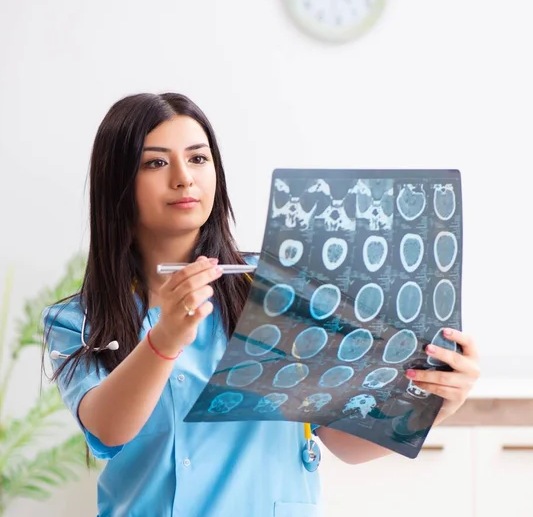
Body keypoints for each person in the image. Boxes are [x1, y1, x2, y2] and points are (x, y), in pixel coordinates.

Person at [43, 92, 480, 517]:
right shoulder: (78, 320)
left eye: (198, 158)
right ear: (117, 182)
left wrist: (437, 403)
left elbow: (341, 441)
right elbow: (107, 431)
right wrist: (165, 338)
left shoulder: (278, 289)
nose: (183, 177)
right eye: (156, 162)